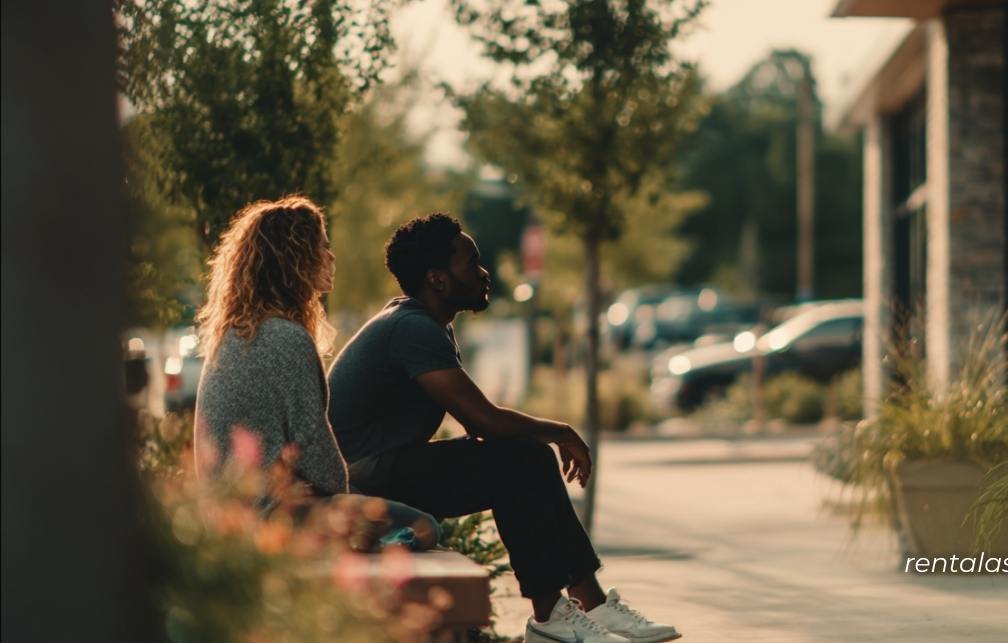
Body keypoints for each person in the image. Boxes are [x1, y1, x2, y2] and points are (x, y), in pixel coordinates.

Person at [327, 214, 680, 643]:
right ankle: (558, 615)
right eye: (471, 263)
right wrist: (560, 432)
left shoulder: (424, 324)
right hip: (360, 483)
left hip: (379, 471)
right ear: (437, 278)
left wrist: (529, 436)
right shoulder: (412, 328)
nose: (483, 272)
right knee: (520, 459)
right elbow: (485, 421)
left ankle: (584, 606)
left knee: (519, 458)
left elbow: (482, 424)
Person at [193, 196, 440, 551]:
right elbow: (315, 452)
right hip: (272, 519)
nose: (332, 256)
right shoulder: (287, 338)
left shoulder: (233, 335)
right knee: (425, 527)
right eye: (323, 247)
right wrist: (346, 498)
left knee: (372, 503)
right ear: (296, 259)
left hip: (227, 514)